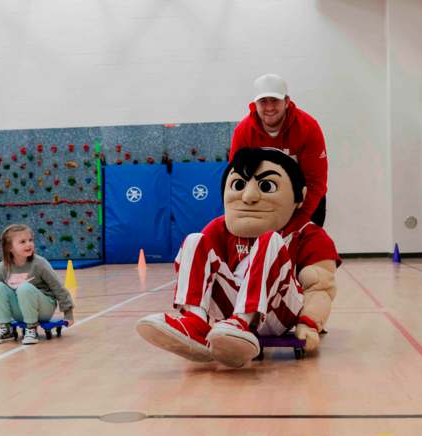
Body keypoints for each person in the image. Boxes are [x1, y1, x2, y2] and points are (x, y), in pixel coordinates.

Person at [136, 147, 339, 368]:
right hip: (229, 315)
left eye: (266, 186)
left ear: (299, 197)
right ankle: (195, 322)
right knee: (195, 240)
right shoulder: (220, 228)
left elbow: (320, 287)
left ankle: (244, 321)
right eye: (239, 185)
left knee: (270, 240)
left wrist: (309, 322)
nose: (249, 196)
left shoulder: (307, 233)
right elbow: (195, 265)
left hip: (279, 312)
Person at [230, 73, 328, 229]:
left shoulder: (308, 127)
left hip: (304, 201)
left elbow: (316, 182)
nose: (269, 108)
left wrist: (298, 221)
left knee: (303, 248)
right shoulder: (243, 132)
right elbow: (236, 180)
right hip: (263, 201)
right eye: (263, 101)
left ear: (287, 102)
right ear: (254, 105)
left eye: (275, 100)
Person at [0, 224, 75, 345]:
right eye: (22, 242)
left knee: (24, 287)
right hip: (21, 310)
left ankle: (31, 328)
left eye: (30, 240)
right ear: (9, 248)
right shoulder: (3, 266)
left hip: (43, 309)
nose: (29, 244)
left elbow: (58, 287)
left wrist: (68, 313)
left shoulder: (39, 263)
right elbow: (0, 295)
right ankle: (6, 329)